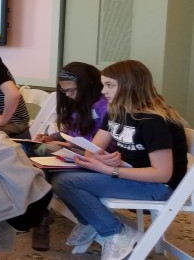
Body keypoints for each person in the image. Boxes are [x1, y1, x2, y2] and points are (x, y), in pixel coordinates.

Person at [52, 60, 188, 260]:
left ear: (130, 86)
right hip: (132, 176)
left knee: (66, 182)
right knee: (56, 172)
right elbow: (93, 151)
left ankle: (115, 232)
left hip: (160, 188)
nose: (103, 90)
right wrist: (107, 159)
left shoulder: (154, 121)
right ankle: (92, 222)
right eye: (103, 84)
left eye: (109, 85)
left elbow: (162, 173)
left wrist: (109, 170)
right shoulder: (116, 111)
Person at [31, 62, 108, 156]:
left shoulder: (103, 106)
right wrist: (52, 138)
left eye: (71, 90)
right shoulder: (77, 102)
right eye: (64, 91)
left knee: (45, 149)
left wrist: (68, 145)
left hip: (95, 154)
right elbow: (71, 131)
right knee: (34, 147)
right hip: (77, 148)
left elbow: (104, 145)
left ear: (88, 85)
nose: (67, 95)